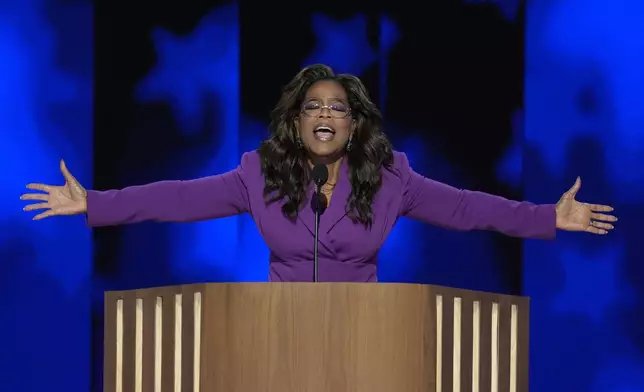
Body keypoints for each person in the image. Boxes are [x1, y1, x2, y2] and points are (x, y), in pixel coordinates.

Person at [21, 64, 617, 282]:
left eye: (338, 107)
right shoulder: (258, 175)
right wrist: (94, 204)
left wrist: (547, 216)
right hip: (278, 340)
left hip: (368, 343)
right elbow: (175, 198)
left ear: (355, 125)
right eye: (313, 106)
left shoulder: (393, 178)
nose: (325, 113)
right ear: (297, 122)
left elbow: (467, 208)